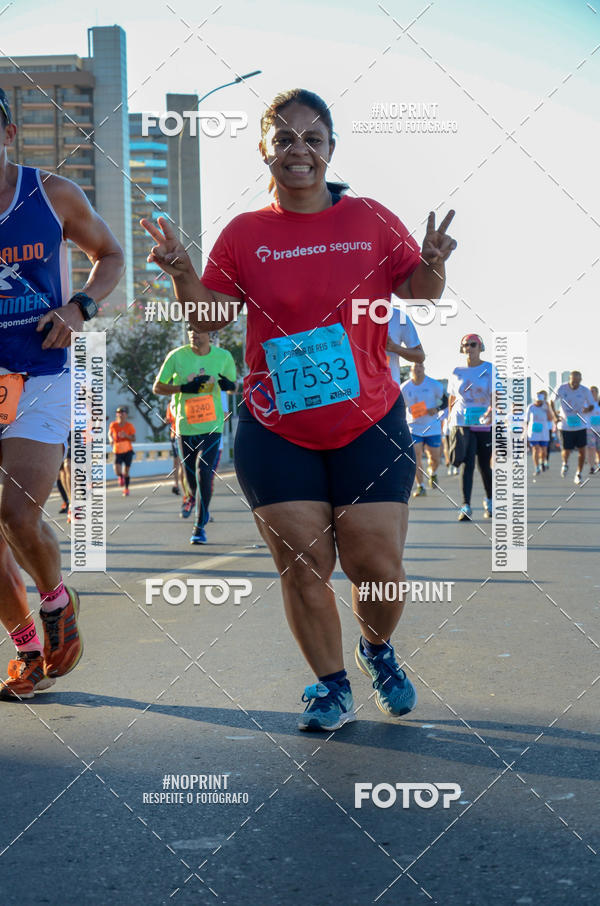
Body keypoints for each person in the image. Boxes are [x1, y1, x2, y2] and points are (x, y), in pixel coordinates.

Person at [142, 87, 457, 730]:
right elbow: (211, 314)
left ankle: (377, 650)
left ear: (331, 150)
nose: (299, 150)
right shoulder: (245, 234)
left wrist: (431, 262)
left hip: (368, 420)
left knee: (377, 567)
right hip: (276, 427)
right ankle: (330, 686)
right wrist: (181, 270)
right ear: (265, 150)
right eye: (284, 138)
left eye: (312, 139)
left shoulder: (369, 217)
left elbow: (420, 292)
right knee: (304, 562)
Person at [0, 88, 124, 700]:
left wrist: (79, 307)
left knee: (16, 513)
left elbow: (110, 254)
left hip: (40, 371)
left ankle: (56, 604)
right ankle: (27, 650)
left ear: (9, 134)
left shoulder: (51, 196)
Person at [152, 323, 236, 544]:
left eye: (198, 330)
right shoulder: (177, 356)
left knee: (204, 474)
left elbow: (233, 387)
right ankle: (196, 502)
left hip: (212, 426)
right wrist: (183, 388)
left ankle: (199, 526)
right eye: (190, 330)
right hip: (185, 426)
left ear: (211, 334)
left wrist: (230, 385)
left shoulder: (224, 357)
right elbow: (157, 387)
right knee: (190, 480)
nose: (193, 334)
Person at [448, 334, 492, 521]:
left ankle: (490, 500)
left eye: (473, 344)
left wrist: (491, 412)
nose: (469, 348)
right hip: (462, 421)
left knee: (484, 464)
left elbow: (496, 395)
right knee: (467, 463)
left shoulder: (489, 369)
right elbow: (452, 397)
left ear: (480, 347)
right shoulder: (456, 371)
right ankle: (465, 505)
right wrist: (449, 419)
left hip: (483, 422)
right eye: (466, 345)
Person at [400, 362, 444, 496]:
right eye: (415, 368)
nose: (418, 370)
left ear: (424, 369)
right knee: (415, 457)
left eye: (420, 367)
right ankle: (420, 486)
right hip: (414, 427)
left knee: (434, 457)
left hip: (433, 427)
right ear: (411, 371)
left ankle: (433, 472)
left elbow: (447, 401)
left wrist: (436, 409)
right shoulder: (404, 387)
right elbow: (400, 406)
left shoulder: (434, 385)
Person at [552, 371, 594, 485]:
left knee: (582, 451)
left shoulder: (585, 390)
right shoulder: (561, 388)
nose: (574, 383)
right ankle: (565, 463)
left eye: (577, 381)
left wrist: (587, 410)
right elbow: (551, 401)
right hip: (565, 426)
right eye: (573, 381)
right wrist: (555, 416)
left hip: (580, 425)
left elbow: (591, 405)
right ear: (569, 379)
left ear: (580, 380)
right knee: (566, 450)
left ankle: (578, 474)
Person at [385, 305, 425, 388]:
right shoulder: (355, 314)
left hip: (390, 390)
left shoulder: (398, 317)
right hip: (359, 390)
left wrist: (395, 348)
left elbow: (420, 356)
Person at [109, 407, 136, 496]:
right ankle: (120, 476)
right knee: (117, 470)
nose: (120, 414)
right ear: (117, 415)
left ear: (126, 415)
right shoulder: (113, 425)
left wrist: (126, 436)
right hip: (117, 450)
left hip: (127, 450)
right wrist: (110, 439)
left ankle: (126, 489)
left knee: (127, 471)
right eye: (118, 413)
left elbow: (134, 439)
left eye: (122, 413)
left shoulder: (129, 425)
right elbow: (109, 434)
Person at [526, 392, 554, 477]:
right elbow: (526, 420)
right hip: (533, 431)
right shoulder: (530, 407)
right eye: (538, 401)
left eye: (540, 401)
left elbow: (550, 418)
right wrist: (524, 432)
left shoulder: (546, 407)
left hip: (544, 431)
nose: (539, 402)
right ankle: (536, 467)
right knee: (535, 449)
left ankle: (542, 462)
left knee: (544, 450)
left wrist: (548, 408)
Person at [165, 397, 182, 495]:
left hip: (187, 434)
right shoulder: (171, 404)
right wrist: (167, 420)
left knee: (183, 462)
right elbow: (169, 418)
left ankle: (187, 484)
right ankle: (176, 484)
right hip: (175, 435)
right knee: (177, 461)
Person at [585, 385, 600, 474]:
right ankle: (591, 466)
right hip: (590, 429)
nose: (591, 393)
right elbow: (582, 411)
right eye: (590, 391)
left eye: (593, 391)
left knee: (599, 449)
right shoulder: (586, 403)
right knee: (592, 447)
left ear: (597, 393)